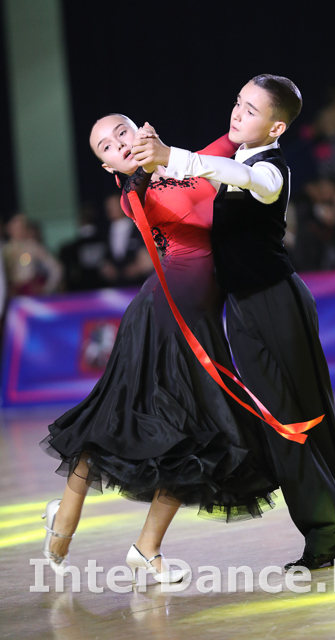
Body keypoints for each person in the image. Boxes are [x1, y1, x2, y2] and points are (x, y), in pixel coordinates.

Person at [132, 74, 335, 570]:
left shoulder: (270, 171)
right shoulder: (238, 161)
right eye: (239, 102)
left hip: (277, 303)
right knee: (284, 418)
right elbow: (203, 181)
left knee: (296, 417)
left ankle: (331, 532)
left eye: (252, 109)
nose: (238, 113)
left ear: (277, 127)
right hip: (243, 308)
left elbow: (235, 176)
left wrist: (172, 155)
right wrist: (152, 166)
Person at [40, 114, 279, 582]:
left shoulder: (187, 163)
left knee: (194, 437)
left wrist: (259, 116)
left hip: (199, 321)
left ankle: (146, 549)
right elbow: (143, 187)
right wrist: (153, 161)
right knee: (117, 421)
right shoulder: (134, 192)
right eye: (106, 146)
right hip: (160, 317)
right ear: (108, 166)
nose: (119, 144)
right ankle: (66, 513)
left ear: (142, 129)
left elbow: (233, 138)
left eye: (122, 132)